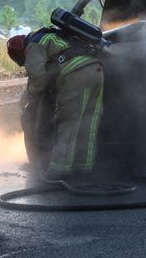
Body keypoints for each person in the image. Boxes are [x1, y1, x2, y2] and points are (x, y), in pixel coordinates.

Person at [7, 25, 104, 186]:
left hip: (75, 74)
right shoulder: (51, 36)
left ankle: (57, 171)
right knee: (89, 122)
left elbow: (37, 75)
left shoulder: (33, 45)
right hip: (96, 69)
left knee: (68, 123)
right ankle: (84, 168)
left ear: (20, 53)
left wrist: (29, 95)